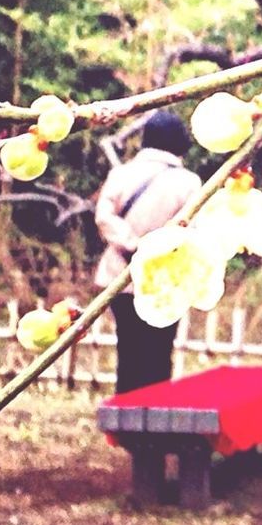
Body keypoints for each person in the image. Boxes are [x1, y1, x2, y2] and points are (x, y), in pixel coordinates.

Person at [95, 109, 201, 393]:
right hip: (165, 281)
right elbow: (193, 232)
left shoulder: (121, 174)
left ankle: (123, 426)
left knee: (128, 351)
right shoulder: (189, 183)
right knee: (158, 353)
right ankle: (153, 427)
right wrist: (155, 249)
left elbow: (104, 217)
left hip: (121, 276)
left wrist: (132, 244)